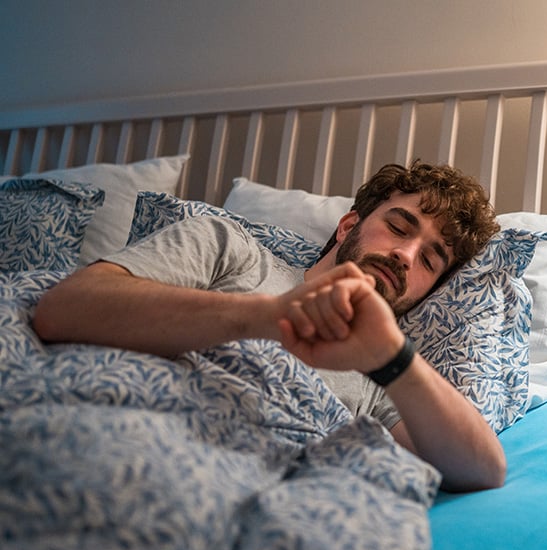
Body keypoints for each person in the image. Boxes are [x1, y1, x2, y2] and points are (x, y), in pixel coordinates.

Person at [32, 160, 505, 492]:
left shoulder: (380, 375)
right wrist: (272, 317)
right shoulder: (227, 247)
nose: (405, 255)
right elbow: (64, 308)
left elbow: (482, 469)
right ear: (346, 227)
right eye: (399, 228)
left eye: (430, 259)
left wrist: (394, 359)